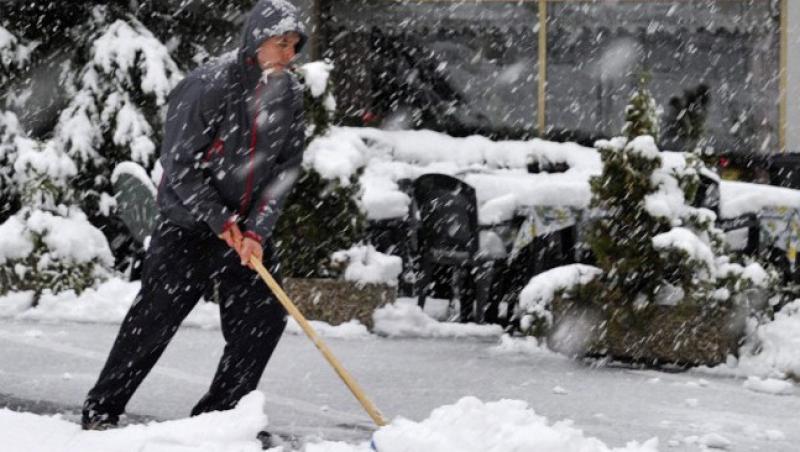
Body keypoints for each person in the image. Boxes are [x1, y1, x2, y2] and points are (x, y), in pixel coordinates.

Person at [81, 0, 307, 441]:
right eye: (281, 44)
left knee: (262, 321)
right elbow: (179, 164)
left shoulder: (290, 94)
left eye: (295, 46)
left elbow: (286, 168)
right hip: (189, 227)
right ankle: (102, 407)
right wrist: (222, 222)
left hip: (246, 234)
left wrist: (257, 230)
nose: (289, 54)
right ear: (257, 39)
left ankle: (219, 417)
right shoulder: (209, 84)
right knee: (153, 321)